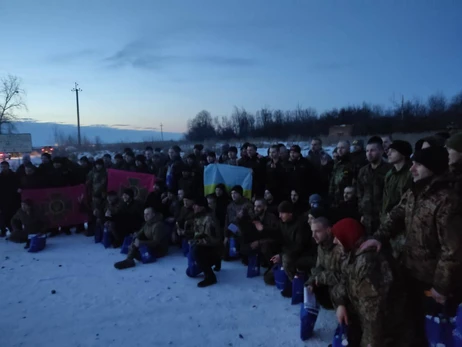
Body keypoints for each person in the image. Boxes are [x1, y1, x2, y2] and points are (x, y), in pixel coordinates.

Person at [360, 146, 462, 346]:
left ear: (432, 168)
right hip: (410, 271)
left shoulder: (448, 200)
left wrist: (440, 287)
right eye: (413, 163)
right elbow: (396, 216)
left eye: (418, 165)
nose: (412, 169)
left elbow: (452, 250)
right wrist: (379, 237)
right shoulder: (415, 190)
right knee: (409, 325)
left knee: (431, 332)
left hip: (432, 283)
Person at [331, 218, 412, 346]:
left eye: (337, 237)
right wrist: (341, 303)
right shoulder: (352, 254)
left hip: (385, 331)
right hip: (363, 316)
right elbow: (344, 281)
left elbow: (374, 319)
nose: (334, 241)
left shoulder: (368, 265)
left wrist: (368, 344)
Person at [270, 201, 317, 296]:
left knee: (286, 259)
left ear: (290, 213)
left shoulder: (300, 225)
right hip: (289, 252)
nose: (280, 216)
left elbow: (300, 246)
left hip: (302, 254)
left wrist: (281, 255)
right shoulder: (282, 223)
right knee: (269, 278)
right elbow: (277, 237)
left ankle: (295, 284)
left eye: (282, 213)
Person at [355, 136, 392, 235]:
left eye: (372, 150)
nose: (369, 154)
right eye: (367, 151)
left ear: (381, 151)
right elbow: (360, 193)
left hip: (383, 216)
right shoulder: (363, 171)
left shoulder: (389, 170)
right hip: (367, 217)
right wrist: (362, 212)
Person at [305, 217, 343, 309]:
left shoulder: (340, 248)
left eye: (317, 231)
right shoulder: (321, 246)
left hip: (341, 288)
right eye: (312, 231)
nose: (313, 235)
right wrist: (311, 282)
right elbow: (319, 267)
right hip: (329, 283)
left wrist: (321, 277)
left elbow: (345, 277)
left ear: (328, 231)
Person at [187, 197, 223, 287]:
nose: (193, 207)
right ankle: (215, 261)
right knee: (190, 272)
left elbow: (215, 240)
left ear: (202, 207)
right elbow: (198, 233)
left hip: (213, 248)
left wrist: (198, 242)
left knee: (196, 250)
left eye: (196, 205)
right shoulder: (199, 216)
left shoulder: (209, 219)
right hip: (206, 246)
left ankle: (210, 276)